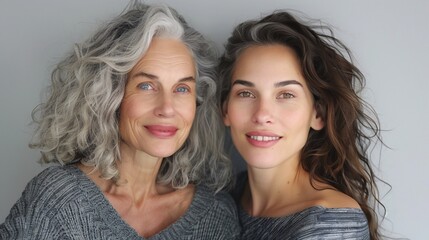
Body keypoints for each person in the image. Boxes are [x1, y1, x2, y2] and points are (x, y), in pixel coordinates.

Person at [0, 1, 240, 239]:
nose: (167, 108)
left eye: (182, 89)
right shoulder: (57, 202)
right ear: (109, 96)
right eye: (146, 86)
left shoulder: (215, 216)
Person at [218, 10, 386, 240]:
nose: (262, 114)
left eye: (286, 95)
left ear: (317, 114)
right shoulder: (227, 195)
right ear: (225, 108)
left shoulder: (330, 225)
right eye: (246, 93)